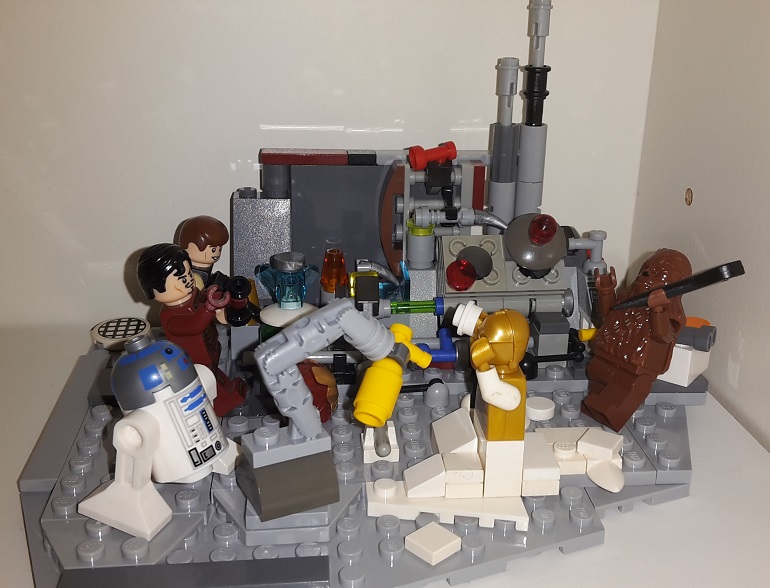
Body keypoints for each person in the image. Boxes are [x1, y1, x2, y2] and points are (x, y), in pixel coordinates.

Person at [137, 243, 246, 416]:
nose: (188, 280)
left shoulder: (193, 295)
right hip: (194, 361)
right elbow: (195, 324)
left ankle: (230, 389)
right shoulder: (170, 317)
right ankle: (222, 404)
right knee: (208, 382)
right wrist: (209, 307)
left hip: (209, 348)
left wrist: (218, 296)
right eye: (181, 279)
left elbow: (203, 299)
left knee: (215, 375)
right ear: (154, 289)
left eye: (189, 274)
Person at [178, 215, 229, 289]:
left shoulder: (216, 280)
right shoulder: (181, 277)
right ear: (191, 244)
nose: (216, 253)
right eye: (213, 249)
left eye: (220, 249)